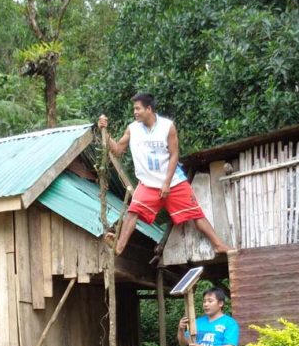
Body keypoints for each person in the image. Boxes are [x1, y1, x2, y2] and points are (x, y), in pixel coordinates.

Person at [98, 93, 231, 256]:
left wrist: (167, 183)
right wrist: (105, 131)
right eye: (134, 109)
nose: (135, 112)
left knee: (196, 213)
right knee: (133, 212)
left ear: (149, 108)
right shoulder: (132, 129)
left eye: (138, 108)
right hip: (147, 183)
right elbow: (117, 150)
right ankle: (119, 247)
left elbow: (174, 155)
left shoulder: (167, 127)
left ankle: (218, 245)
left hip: (173, 181)